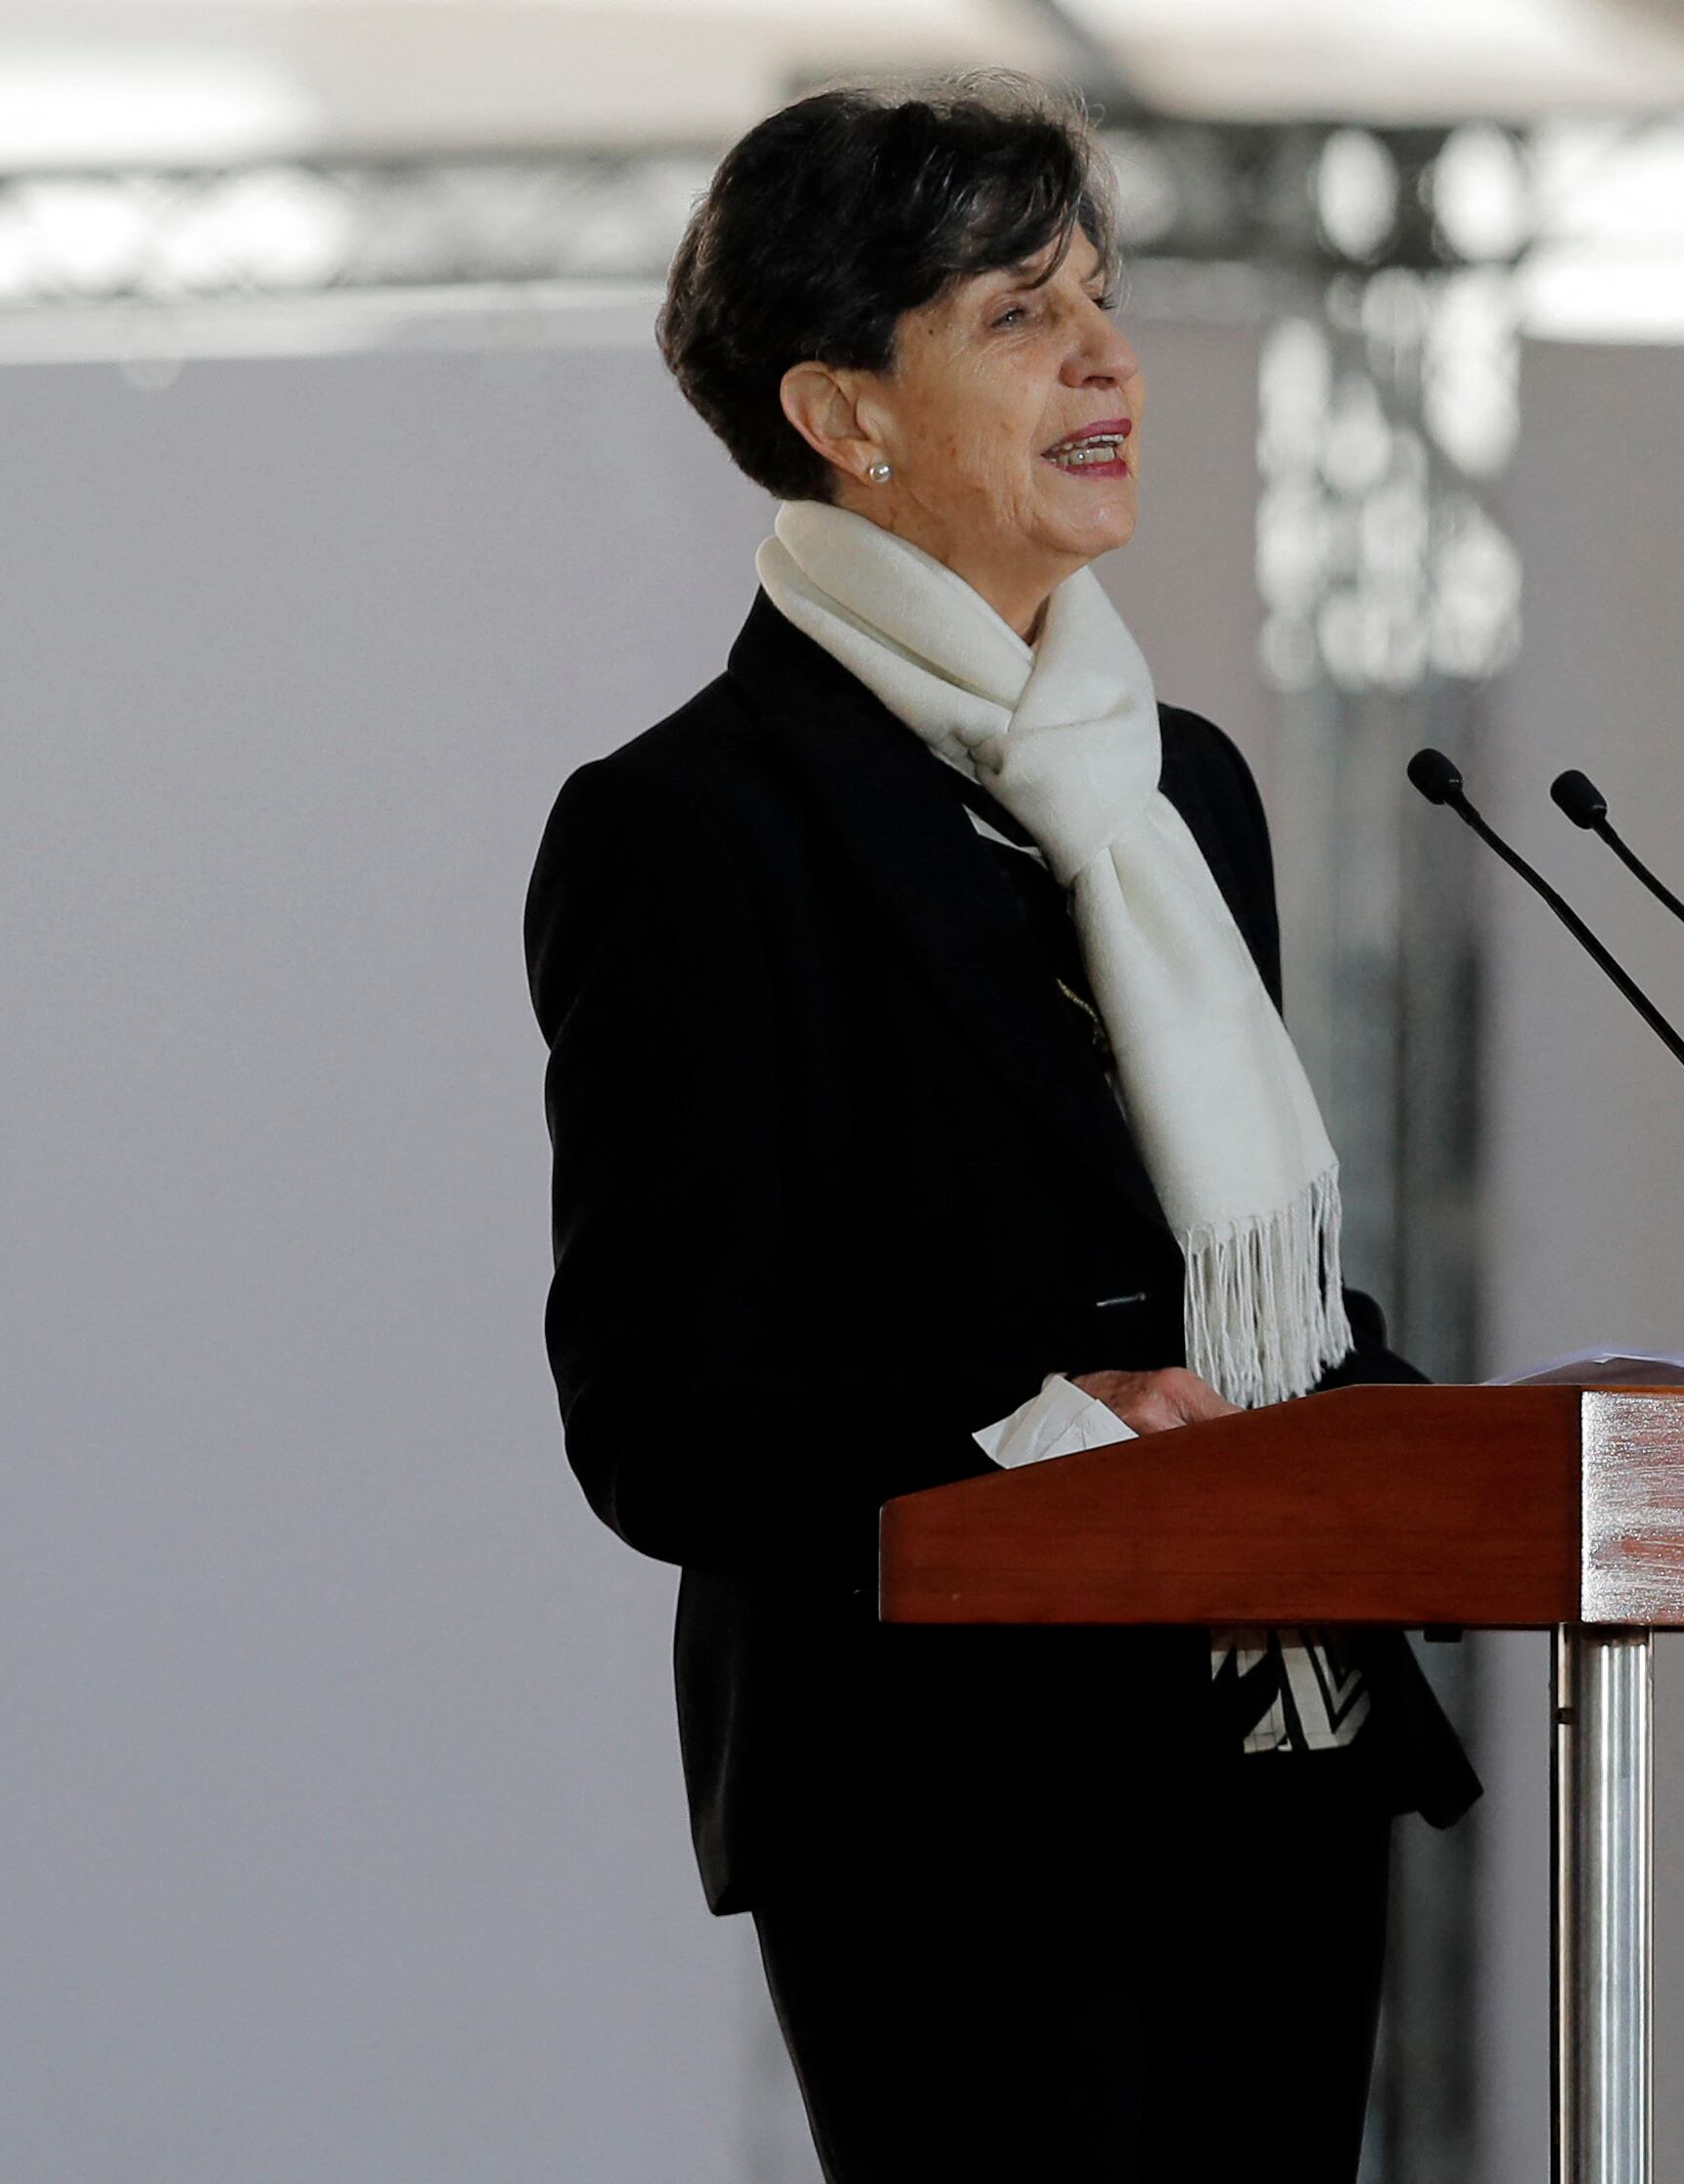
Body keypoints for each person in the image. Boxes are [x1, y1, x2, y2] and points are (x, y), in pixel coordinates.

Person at [521, 78, 1476, 2182]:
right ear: (845, 411)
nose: (1112, 356)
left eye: (1106, 297)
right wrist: (1055, 1427)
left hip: (1268, 1753)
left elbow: (1242, 1287)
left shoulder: (1185, 793)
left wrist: (1439, 1445)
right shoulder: (690, 833)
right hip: (954, 1815)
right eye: (1022, 312)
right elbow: (664, 1419)